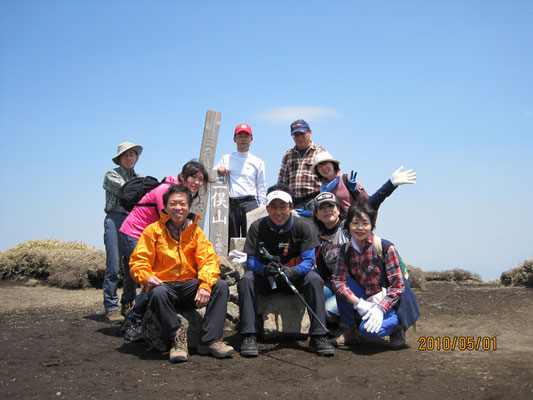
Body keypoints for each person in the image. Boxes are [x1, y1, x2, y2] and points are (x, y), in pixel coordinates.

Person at [129, 184, 234, 362]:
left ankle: (210, 340)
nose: (178, 208)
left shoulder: (195, 232)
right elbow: (139, 260)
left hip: (189, 287)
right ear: (165, 207)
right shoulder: (153, 231)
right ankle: (177, 338)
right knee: (156, 292)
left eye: (182, 204)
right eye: (173, 204)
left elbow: (208, 260)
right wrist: (146, 276)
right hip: (164, 286)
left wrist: (205, 285)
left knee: (220, 286)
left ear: (189, 207)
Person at [237, 184, 335, 357]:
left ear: (291, 207)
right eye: (273, 207)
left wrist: (293, 271)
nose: (278, 212)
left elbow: (309, 260)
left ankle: (319, 335)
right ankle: (249, 335)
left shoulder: (303, 227)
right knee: (246, 280)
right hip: (267, 278)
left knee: (314, 279)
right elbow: (251, 261)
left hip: (293, 277)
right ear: (267, 209)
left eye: (283, 206)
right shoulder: (257, 227)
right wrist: (265, 269)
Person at [119, 160, 209, 341]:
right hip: (135, 232)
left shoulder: (178, 193)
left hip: (144, 233)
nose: (197, 182)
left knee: (155, 279)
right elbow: (169, 224)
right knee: (152, 279)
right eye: (193, 177)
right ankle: (133, 321)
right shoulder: (166, 192)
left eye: (201, 179)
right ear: (182, 177)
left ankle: (140, 315)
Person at [331, 201, 407, 349]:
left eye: (365, 223)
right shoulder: (345, 250)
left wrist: (380, 309)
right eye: (355, 223)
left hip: (387, 299)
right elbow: (337, 281)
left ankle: (397, 327)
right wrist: (358, 303)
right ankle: (350, 330)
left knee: (366, 331)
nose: (360, 228)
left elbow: (398, 285)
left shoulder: (384, 247)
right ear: (348, 225)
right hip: (366, 295)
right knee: (341, 289)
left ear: (372, 224)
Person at [103, 141, 143, 323]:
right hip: (115, 219)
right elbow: (126, 192)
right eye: (126, 155)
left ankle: (128, 301)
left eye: (132, 155)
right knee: (113, 264)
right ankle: (111, 307)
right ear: (119, 159)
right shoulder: (111, 175)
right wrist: (144, 188)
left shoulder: (140, 177)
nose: (129, 158)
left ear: (137, 158)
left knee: (132, 263)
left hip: (134, 221)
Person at [310, 151, 417, 213]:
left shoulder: (346, 179)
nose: (324, 168)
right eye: (320, 166)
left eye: (325, 164)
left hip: (354, 222)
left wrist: (355, 190)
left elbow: (367, 201)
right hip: (336, 228)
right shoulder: (322, 188)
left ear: (333, 164)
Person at [215, 123, 266, 239]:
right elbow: (212, 176)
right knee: (230, 238)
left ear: (251, 139)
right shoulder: (226, 158)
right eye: (240, 136)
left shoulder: (258, 162)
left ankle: (251, 258)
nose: (243, 139)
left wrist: (262, 209)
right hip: (231, 204)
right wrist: (219, 170)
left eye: (246, 136)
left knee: (252, 238)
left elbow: (261, 187)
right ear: (234, 139)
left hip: (250, 203)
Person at [277, 119, 326, 212]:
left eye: (302, 134)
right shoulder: (288, 155)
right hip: (294, 202)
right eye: (296, 135)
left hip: (315, 200)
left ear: (310, 132)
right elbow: (282, 182)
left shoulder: (320, 152)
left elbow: (329, 177)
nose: (299, 138)